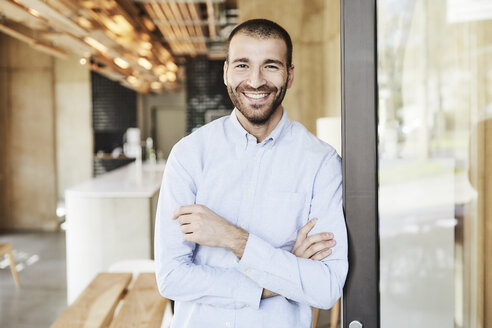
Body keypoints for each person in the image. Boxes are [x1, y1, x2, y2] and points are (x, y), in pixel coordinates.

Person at [155, 18, 348, 328]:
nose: (256, 81)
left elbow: (325, 288)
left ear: (290, 74)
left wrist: (234, 239)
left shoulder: (321, 163)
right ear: (226, 72)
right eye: (243, 65)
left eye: (271, 66)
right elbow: (172, 278)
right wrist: (282, 276)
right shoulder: (189, 155)